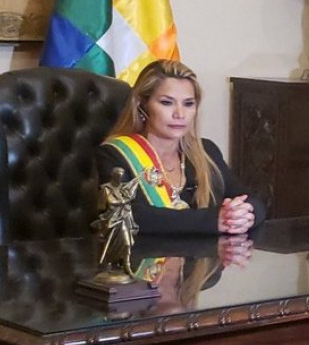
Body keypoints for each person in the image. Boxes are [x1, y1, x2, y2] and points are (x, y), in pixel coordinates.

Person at [96, 59, 265, 235]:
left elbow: (249, 199)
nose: (180, 114)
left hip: (205, 252)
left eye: (188, 103)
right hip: (145, 252)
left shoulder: (206, 151)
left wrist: (246, 214)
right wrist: (213, 221)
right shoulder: (114, 154)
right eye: (167, 103)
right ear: (142, 105)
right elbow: (128, 215)